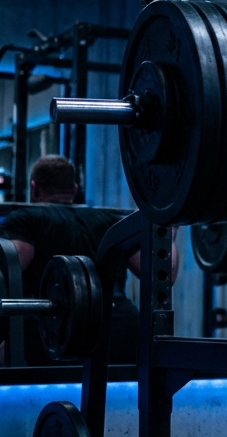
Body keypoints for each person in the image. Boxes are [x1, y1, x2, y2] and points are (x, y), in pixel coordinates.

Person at [0, 155, 177, 364]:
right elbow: (163, 274)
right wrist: (168, 227)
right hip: (119, 334)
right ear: (74, 190)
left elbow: (8, 269)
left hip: (49, 340)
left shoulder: (26, 219)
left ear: (34, 189)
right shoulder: (111, 223)